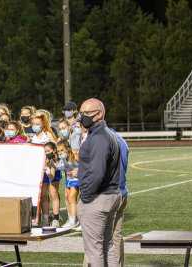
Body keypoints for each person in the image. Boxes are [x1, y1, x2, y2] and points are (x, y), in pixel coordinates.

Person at [77, 98, 121, 266]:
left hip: (98, 197)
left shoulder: (99, 137)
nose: (83, 117)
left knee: (94, 250)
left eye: (87, 113)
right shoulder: (105, 134)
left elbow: (97, 172)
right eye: (82, 113)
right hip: (109, 195)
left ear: (99, 114)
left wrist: (86, 196)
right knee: (106, 246)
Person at [109, 128, 129, 267]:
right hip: (122, 190)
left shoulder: (102, 139)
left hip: (108, 193)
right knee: (117, 235)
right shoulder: (120, 139)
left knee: (95, 238)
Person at [54, 140, 79, 230]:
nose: (60, 153)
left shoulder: (75, 156)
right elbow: (58, 167)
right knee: (67, 199)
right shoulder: (62, 159)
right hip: (68, 179)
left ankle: (73, 221)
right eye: (58, 151)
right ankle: (70, 219)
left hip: (77, 180)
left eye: (62, 150)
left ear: (67, 149)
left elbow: (85, 165)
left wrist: (77, 171)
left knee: (72, 198)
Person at [43, 142, 62, 227]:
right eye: (45, 151)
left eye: (49, 151)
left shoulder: (56, 159)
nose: (47, 153)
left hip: (54, 172)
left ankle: (56, 219)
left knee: (53, 194)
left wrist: (47, 170)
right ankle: (46, 218)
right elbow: (50, 175)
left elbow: (52, 176)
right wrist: (46, 170)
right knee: (44, 194)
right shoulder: (46, 159)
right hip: (47, 172)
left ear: (54, 150)